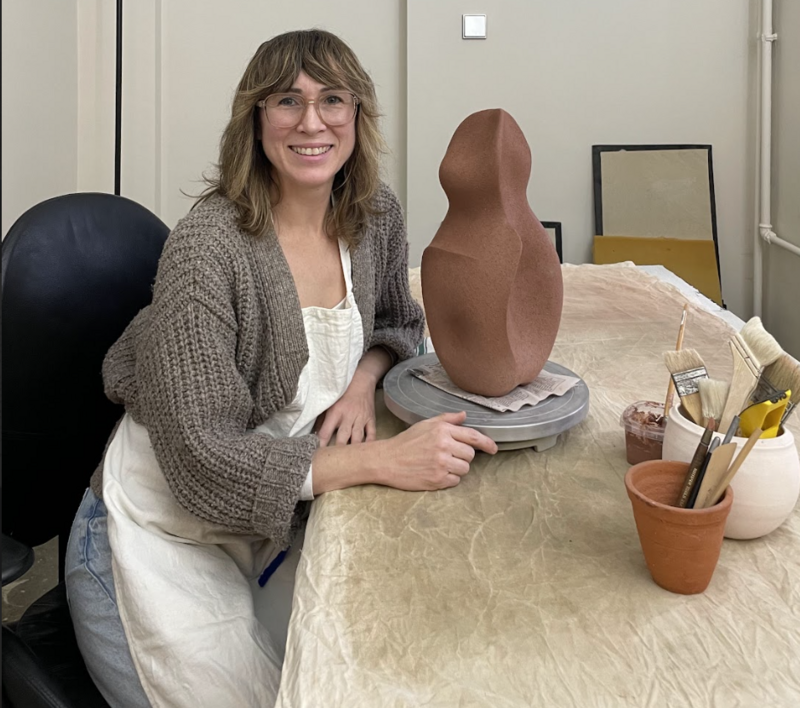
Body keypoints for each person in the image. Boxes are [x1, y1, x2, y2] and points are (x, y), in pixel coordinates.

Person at [65, 29, 497, 708]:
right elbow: (202, 459)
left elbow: (399, 321)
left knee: (366, 671)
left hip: (266, 527)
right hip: (159, 534)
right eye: (286, 101)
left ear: (357, 116)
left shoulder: (373, 215)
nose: (311, 122)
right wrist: (382, 461)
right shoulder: (208, 248)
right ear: (256, 119)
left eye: (333, 99)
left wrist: (362, 382)